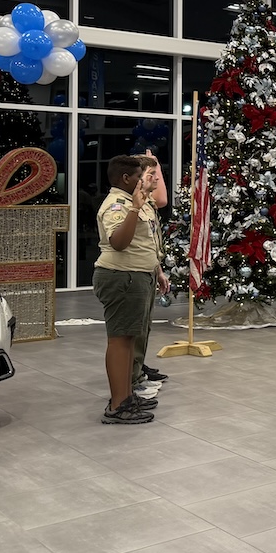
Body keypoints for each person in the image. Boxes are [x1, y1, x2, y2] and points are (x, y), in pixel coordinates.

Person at [93, 155, 166, 424]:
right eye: (138, 177)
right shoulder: (116, 205)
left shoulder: (133, 202)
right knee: (120, 341)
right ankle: (117, 405)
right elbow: (119, 243)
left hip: (137, 276)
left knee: (129, 340)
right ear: (126, 179)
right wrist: (134, 209)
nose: (142, 181)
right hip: (121, 277)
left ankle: (126, 396)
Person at [131, 153, 170, 398]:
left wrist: (157, 270)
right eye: (150, 175)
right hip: (131, 275)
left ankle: (137, 371)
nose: (155, 179)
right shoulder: (126, 204)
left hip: (146, 270)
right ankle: (131, 379)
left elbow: (162, 199)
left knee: (142, 328)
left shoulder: (145, 203)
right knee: (131, 331)